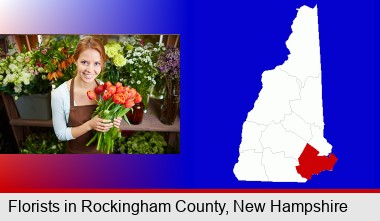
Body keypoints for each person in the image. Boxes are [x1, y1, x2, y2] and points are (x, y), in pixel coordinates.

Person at [51, 36, 122, 154]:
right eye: (84, 62)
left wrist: (114, 121)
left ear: (102, 64)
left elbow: (110, 127)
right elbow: (61, 134)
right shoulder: (60, 94)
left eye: (96, 63)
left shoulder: (106, 89)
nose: (90, 69)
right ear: (75, 60)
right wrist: (89, 125)